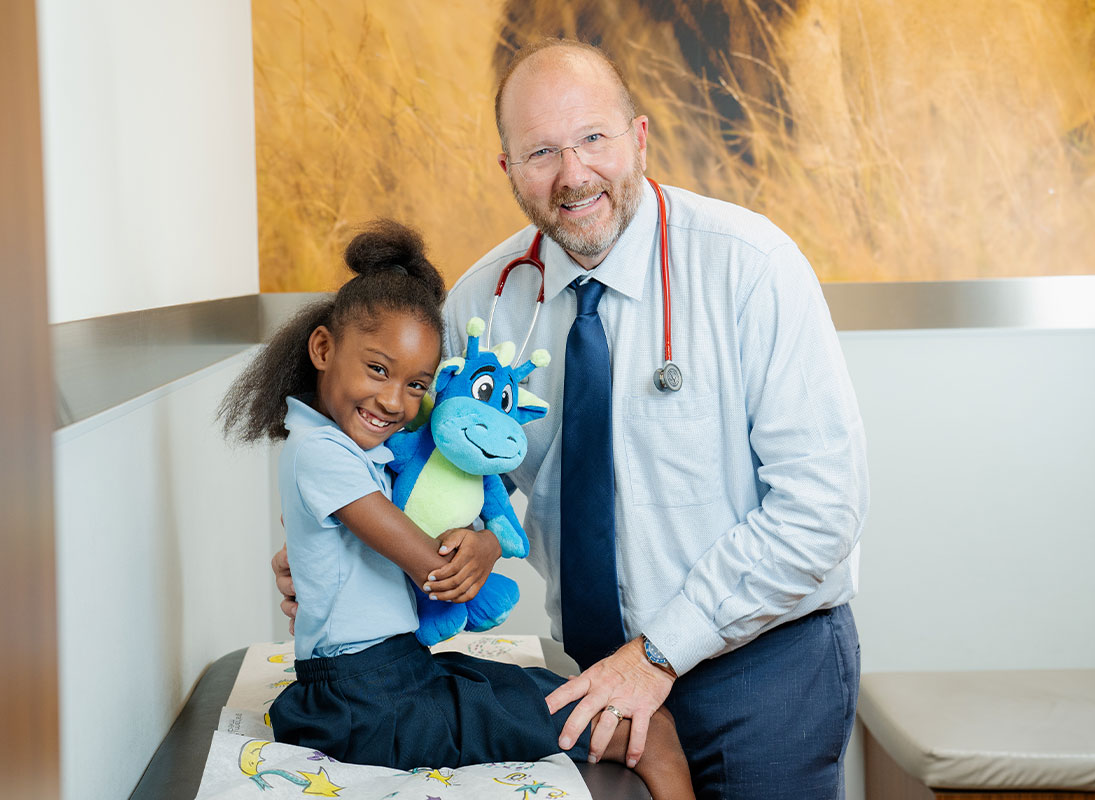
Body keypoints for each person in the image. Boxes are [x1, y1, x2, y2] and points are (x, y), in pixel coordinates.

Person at [275, 39, 867, 798]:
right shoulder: (482, 303)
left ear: (640, 137)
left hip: (761, 672)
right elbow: (427, 459)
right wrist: (333, 551)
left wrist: (657, 655)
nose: (573, 173)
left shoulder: (750, 268)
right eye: (541, 151)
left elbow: (822, 510)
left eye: (594, 138)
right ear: (509, 171)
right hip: (595, 671)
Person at [228, 219, 694, 799]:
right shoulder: (321, 452)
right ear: (322, 348)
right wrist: (478, 548)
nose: (394, 402)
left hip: (393, 673)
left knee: (551, 689)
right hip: (369, 699)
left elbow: (407, 517)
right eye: (378, 369)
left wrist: (485, 537)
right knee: (647, 730)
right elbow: (435, 568)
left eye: (417, 385)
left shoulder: (344, 446)